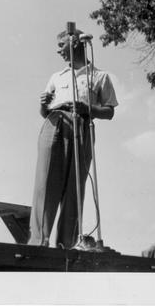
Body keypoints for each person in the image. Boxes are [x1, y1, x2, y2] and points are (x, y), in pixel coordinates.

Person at [28, 28, 118, 249]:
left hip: (82, 123)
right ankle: (39, 241)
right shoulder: (56, 77)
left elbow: (109, 111)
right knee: (45, 182)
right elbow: (44, 111)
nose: (59, 51)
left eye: (61, 46)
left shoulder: (100, 76)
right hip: (54, 121)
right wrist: (43, 104)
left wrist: (88, 108)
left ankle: (66, 243)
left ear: (76, 43)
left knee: (74, 186)